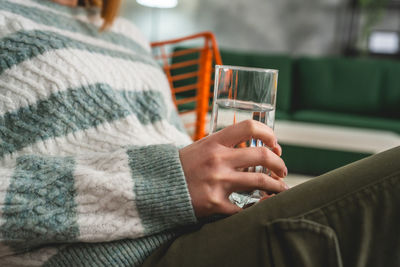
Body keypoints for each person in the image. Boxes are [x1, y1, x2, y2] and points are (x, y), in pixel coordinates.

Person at [0, 0, 398, 266]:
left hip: (207, 230)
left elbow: (170, 146)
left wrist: (226, 187)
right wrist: (166, 183)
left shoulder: (126, 33)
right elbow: (171, 175)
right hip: (135, 257)